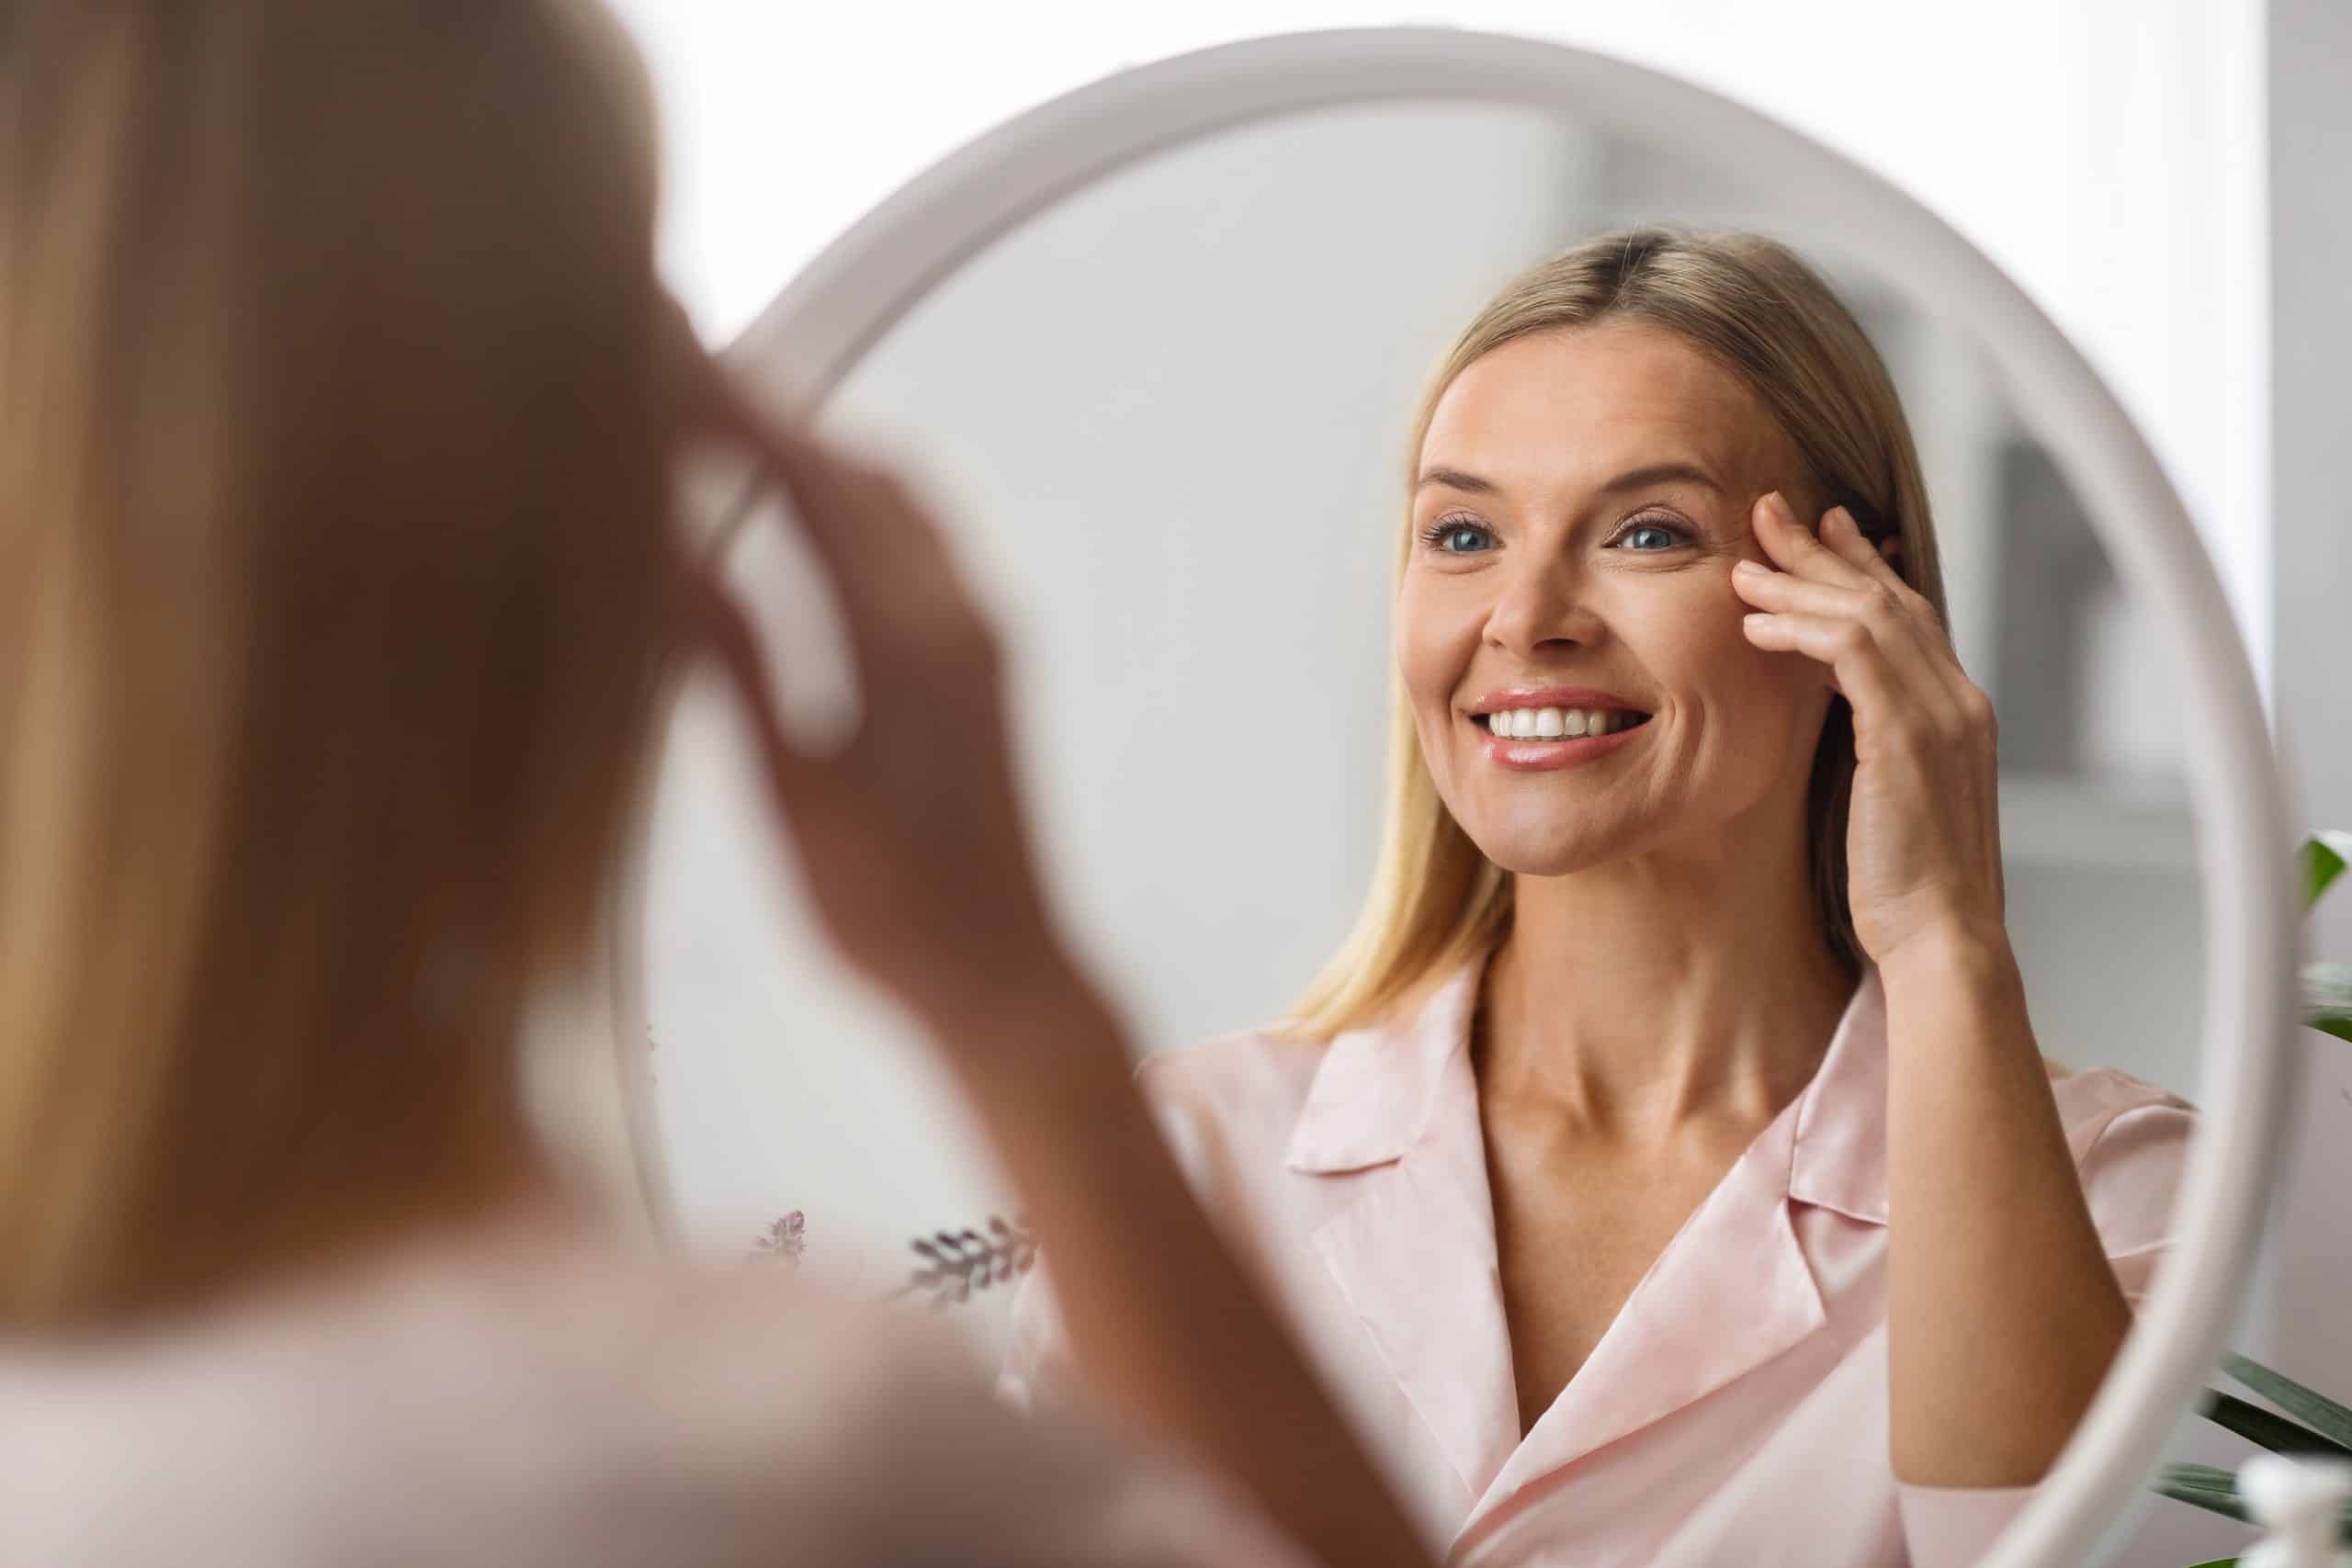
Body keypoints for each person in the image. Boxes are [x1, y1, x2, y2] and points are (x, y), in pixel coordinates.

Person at [0, 3, 1440, 1564]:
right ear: (626, 548)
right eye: (1461, 529)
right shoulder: (762, 1458)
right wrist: (1019, 1010)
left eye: (1647, 529)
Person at [1004, 229, 2193, 1568]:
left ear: (1865, 607)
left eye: (1646, 531)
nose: (1525, 616)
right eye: (1463, 532)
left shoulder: (2116, 1198)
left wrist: (1947, 946)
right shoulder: (1189, 1159)